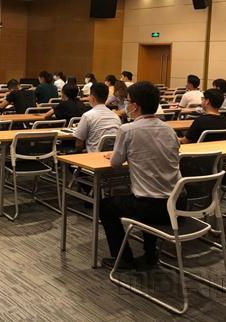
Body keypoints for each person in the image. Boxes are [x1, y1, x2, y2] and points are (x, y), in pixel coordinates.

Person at [100, 81, 182, 270]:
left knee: (106, 206)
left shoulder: (127, 130)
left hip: (150, 207)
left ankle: (124, 258)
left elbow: (115, 163)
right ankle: (150, 254)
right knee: (149, 190)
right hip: (176, 203)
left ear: (135, 106)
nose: (126, 104)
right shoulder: (169, 129)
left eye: (128, 101)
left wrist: (117, 154)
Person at [74, 82, 121, 152]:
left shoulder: (87, 116)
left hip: (93, 156)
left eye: (89, 95)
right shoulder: (115, 116)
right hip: (111, 155)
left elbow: (79, 143)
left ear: (92, 98)